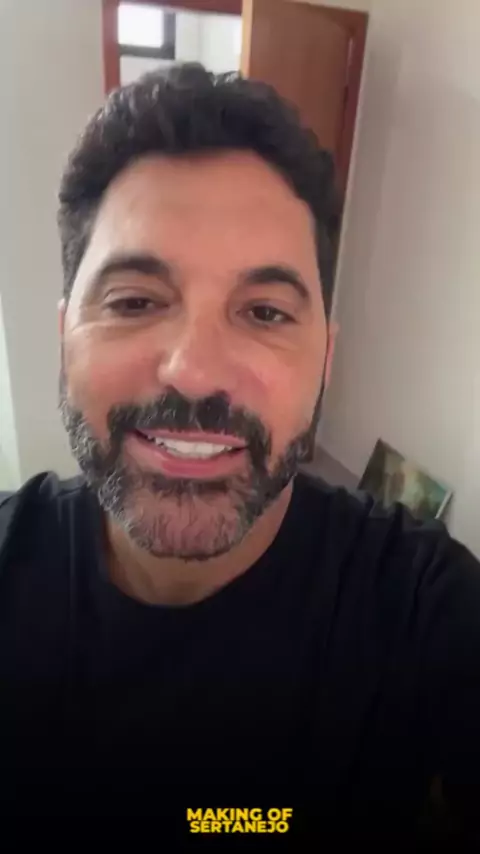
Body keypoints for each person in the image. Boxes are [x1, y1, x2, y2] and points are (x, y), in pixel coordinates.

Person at [0, 64, 479, 847]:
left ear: (325, 360)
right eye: (134, 301)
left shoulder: (421, 608)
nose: (195, 371)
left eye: (264, 312)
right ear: (64, 338)